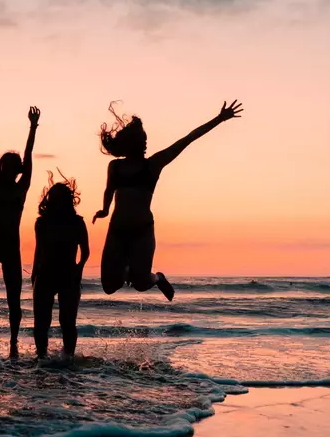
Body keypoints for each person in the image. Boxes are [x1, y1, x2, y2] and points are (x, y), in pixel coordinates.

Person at [92, 100, 243, 300]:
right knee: (109, 286)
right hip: (117, 230)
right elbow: (109, 189)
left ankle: (158, 278)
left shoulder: (153, 164)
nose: (143, 143)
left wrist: (219, 119)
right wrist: (104, 209)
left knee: (141, 283)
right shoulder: (115, 166)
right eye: (138, 139)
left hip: (142, 230)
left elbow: (188, 139)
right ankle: (127, 271)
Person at [0, 104, 39, 359]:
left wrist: (33, 127)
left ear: (18, 169)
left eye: (12, 165)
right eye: (4, 164)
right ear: (0, 166)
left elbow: (29, 155)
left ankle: (13, 342)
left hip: (12, 245)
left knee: (14, 298)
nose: (7, 167)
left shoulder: (22, 187)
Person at [32, 174, 89, 359]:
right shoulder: (42, 222)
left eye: (59, 198)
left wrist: (79, 269)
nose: (55, 202)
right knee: (42, 322)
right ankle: (41, 357)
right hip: (45, 273)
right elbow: (39, 249)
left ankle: (68, 357)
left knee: (67, 322)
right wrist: (34, 272)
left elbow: (86, 251)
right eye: (53, 198)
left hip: (68, 274)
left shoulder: (77, 222)